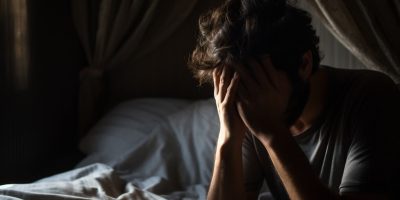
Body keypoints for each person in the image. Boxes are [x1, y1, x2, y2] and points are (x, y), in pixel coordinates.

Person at [188, 0, 400, 199]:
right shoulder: (246, 107)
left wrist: (272, 131)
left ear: (304, 64)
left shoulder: (372, 97)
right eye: (234, 86)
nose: (245, 99)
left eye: (257, 84)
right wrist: (228, 136)